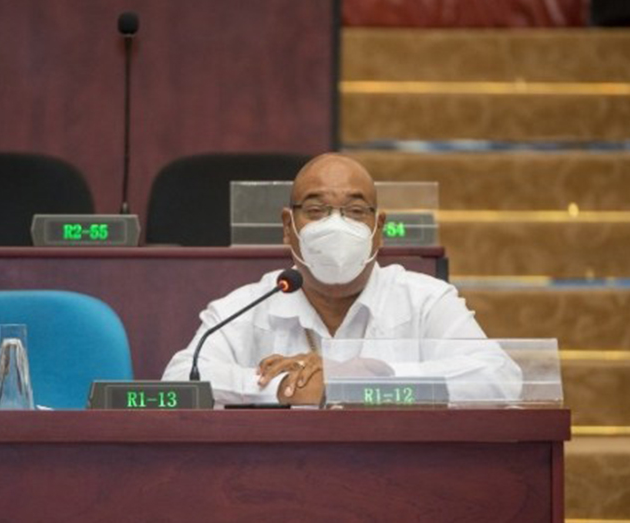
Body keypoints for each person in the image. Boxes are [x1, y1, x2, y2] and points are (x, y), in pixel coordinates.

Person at [162, 153, 520, 405]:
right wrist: (283, 388)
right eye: (316, 210)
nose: (336, 225)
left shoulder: (426, 300)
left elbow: (500, 378)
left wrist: (363, 376)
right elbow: (179, 379)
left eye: (354, 211)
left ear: (378, 230)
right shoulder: (244, 307)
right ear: (289, 227)